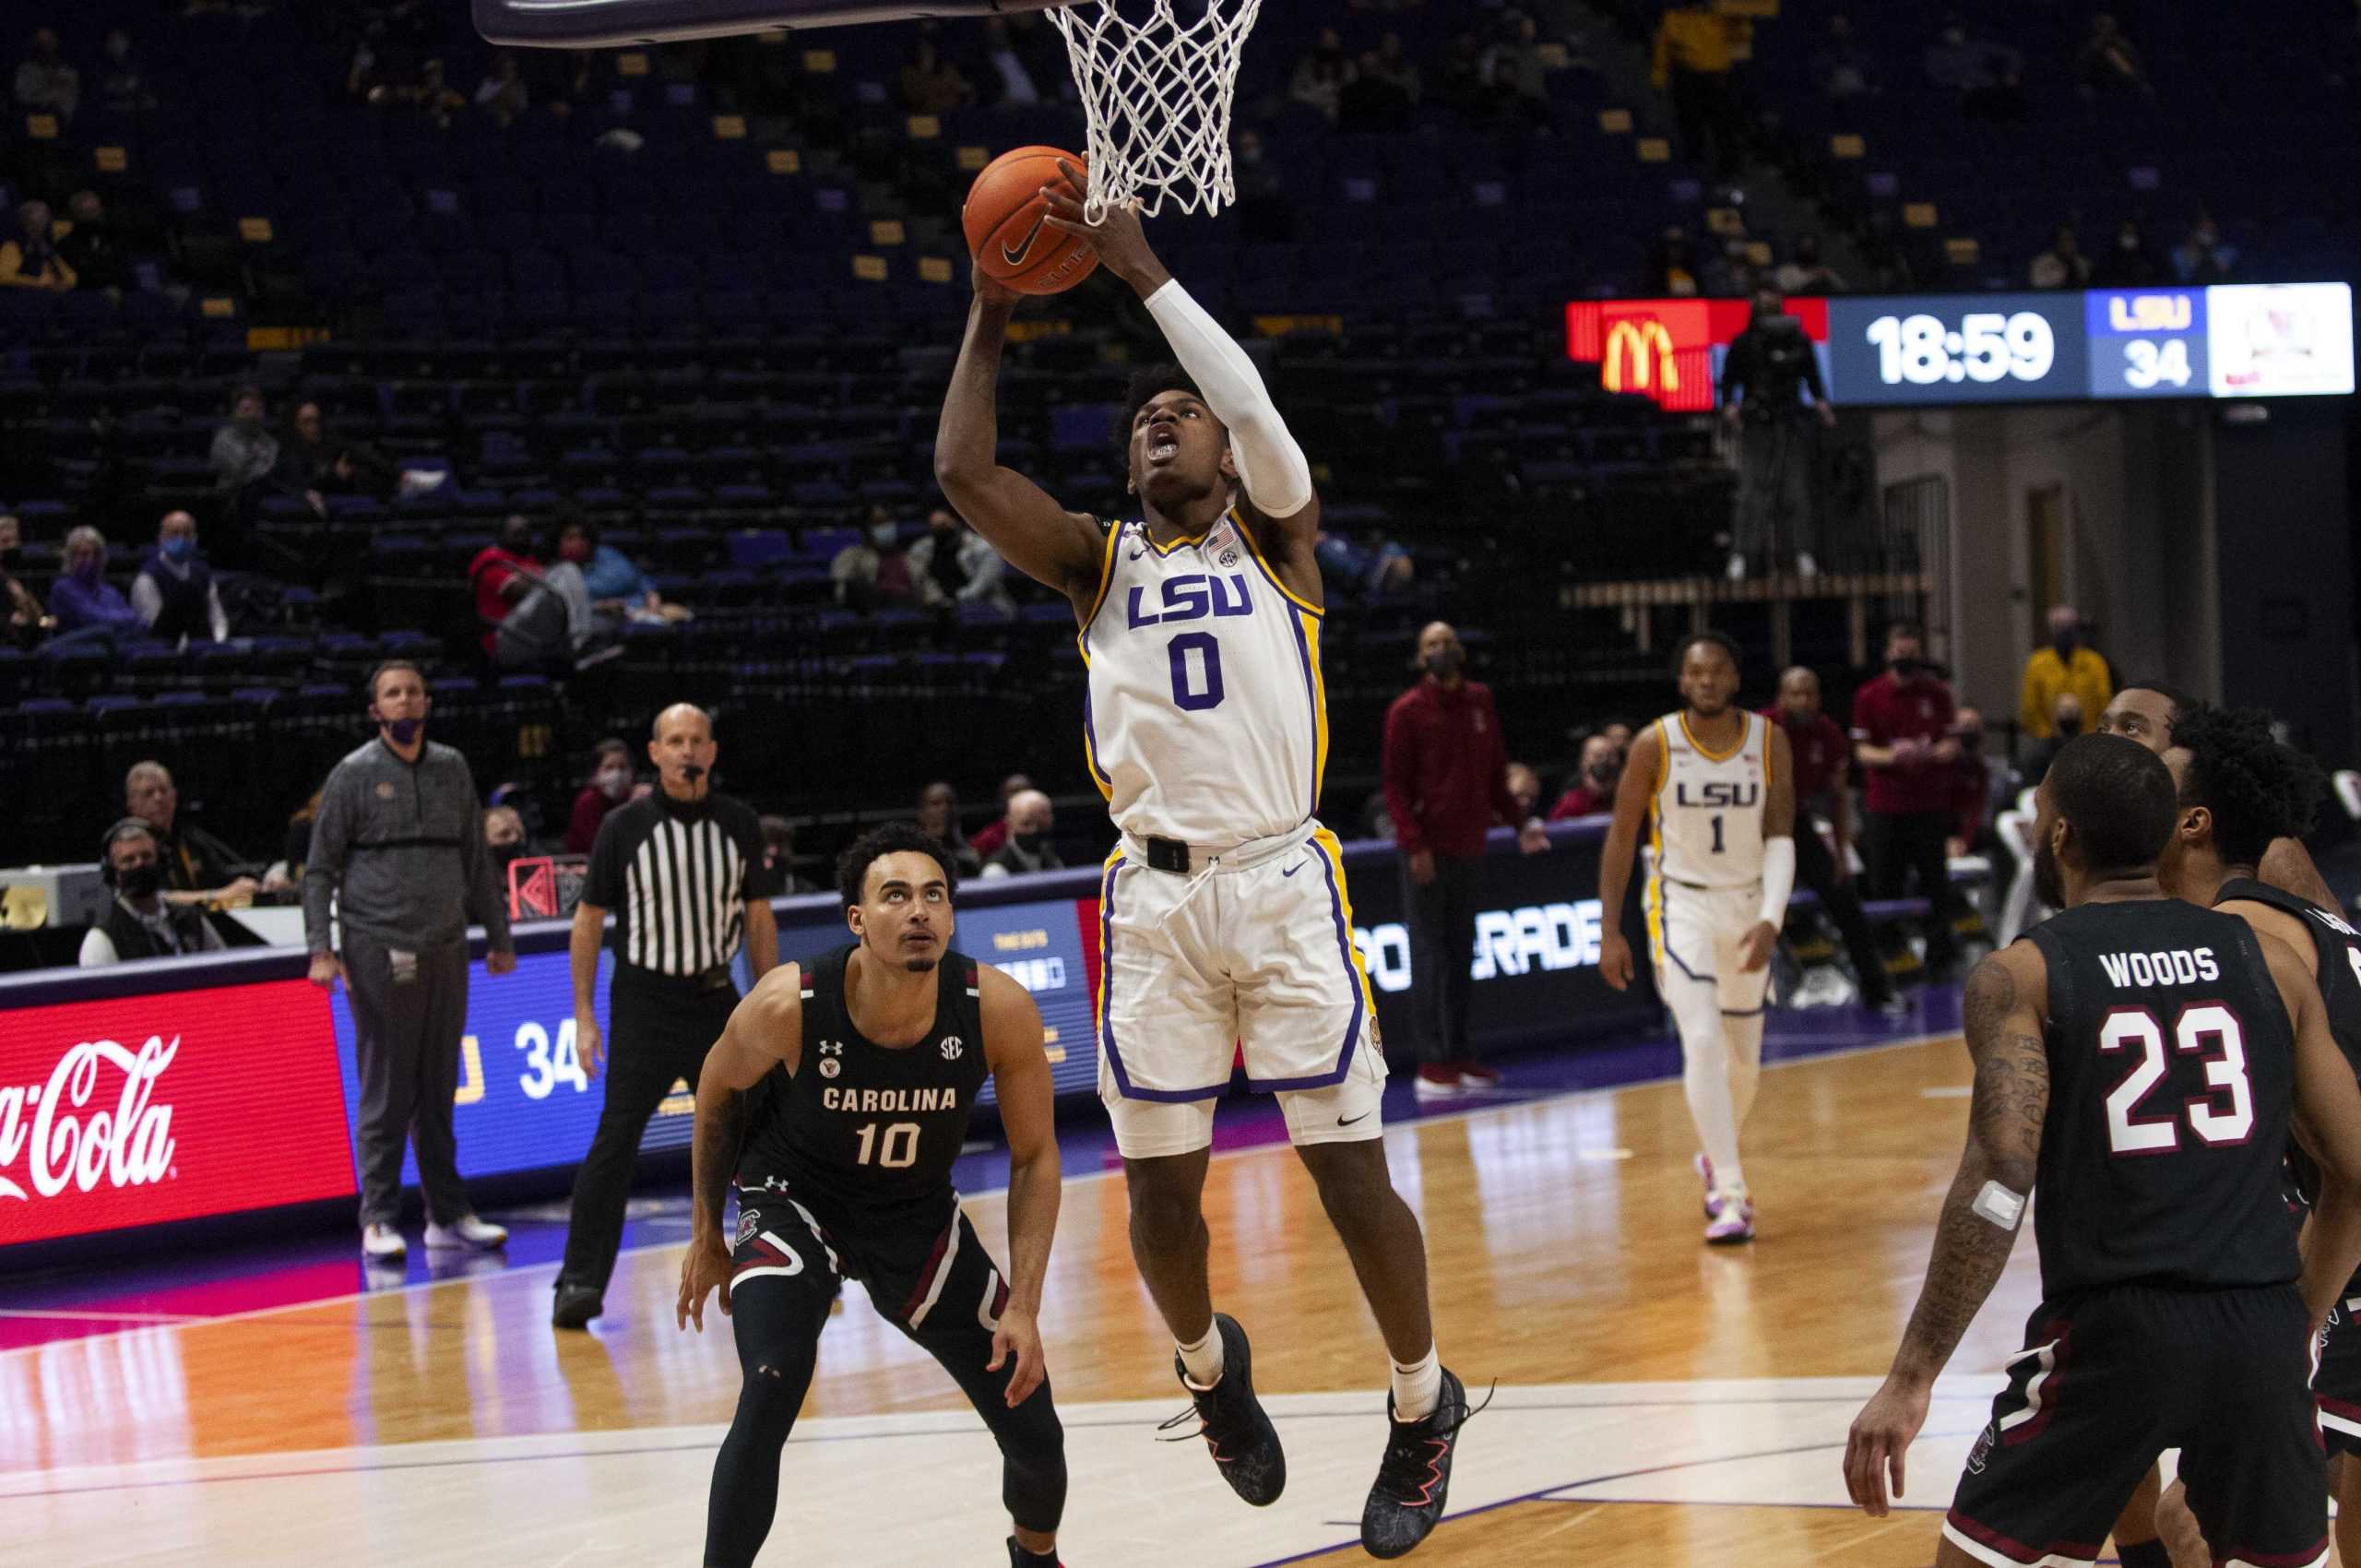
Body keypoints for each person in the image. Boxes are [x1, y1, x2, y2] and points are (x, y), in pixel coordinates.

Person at [935, 166, 1478, 1557]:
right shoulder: (1092, 563)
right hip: (1157, 898)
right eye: (1143, 422)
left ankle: (1424, 1404)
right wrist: (991, 313)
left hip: (1283, 881)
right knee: (1162, 1194)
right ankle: (1207, 1373)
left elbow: (1244, 398)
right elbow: (959, 473)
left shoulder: (1282, 537)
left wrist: (1143, 271)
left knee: (1347, 1170)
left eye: (1183, 416)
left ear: (1229, 456)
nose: (1163, 422)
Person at [1841, 733, 2361, 1568]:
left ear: (2059, 837)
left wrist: (1912, 1378)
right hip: (2258, 1330)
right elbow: (2358, 1175)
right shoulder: (2268, 963)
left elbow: (2002, 1176)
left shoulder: (2025, 975)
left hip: (2113, 1332)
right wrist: (2290, 1319)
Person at [678, 826, 1067, 1567]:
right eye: (895, 896)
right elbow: (717, 1093)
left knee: (1035, 1428)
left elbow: (1036, 1156)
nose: (918, 911)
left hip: (914, 1215)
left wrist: (1025, 1305)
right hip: (796, 1200)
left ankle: (1035, 1555)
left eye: (933, 895)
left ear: (951, 916)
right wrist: (706, 1233)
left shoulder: (997, 1008)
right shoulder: (788, 1003)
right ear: (856, 919)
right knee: (770, 1383)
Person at [2106, 705, 2352, 1568]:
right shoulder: (2302, 925)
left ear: (2193, 821)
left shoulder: (2240, 947)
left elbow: (2348, 1179)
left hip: (2342, 1265)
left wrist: (2292, 1336)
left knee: (2204, 1519)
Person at [556, 705, 777, 1329]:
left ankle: (792, 1260)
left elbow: (759, 916)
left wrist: (767, 1002)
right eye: (674, 741)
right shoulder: (623, 827)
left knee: (765, 1133)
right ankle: (578, 1281)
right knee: (615, 1143)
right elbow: (589, 921)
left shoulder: (737, 823)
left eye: (697, 740)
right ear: (655, 753)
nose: (687, 750)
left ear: (712, 750)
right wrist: (583, 1014)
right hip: (645, 1005)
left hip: (716, 1003)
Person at [303, 660, 518, 1261]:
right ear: (376, 711)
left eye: (413, 692)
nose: (404, 702)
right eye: (392, 694)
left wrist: (498, 938)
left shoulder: (452, 768)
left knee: (438, 1084)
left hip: (447, 943)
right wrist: (322, 948)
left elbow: (477, 861)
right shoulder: (352, 775)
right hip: (377, 945)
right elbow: (319, 870)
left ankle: (447, 1215)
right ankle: (377, 1216)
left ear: (427, 702)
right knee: (387, 1088)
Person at [1599, 632, 1796, 1244]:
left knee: (1745, 1068)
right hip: (1678, 904)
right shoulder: (1655, 743)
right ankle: (1730, 1191)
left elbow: (1781, 836)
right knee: (1704, 1043)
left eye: (1718, 671)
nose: (1707, 681)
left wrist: (1771, 918)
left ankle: (1716, 1153)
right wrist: (1610, 930)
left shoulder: (1769, 740)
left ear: (1735, 678)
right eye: (1696, 672)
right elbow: (1622, 836)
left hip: (1747, 904)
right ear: (1682, 682)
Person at [1382, 620, 1550, 1097]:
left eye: (1447, 643)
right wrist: (1414, 844)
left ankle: (1461, 1054)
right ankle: (1433, 1063)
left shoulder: (1480, 701)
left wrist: (1521, 824)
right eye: (1431, 644)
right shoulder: (1406, 712)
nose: (1441, 650)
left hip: (1470, 846)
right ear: (1420, 658)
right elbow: (1395, 787)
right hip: (1428, 853)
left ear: (1461, 650)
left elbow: (1497, 773)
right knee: (1430, 957)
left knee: (1461, 955)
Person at [2097, 682, 2346, 949]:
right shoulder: (2103, 846)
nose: (2106, 741)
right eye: (2102, 729)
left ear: (2182, 750)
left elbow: (2345, 959)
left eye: (2132, 728)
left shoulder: (2266, 846)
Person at [1767, 666, 1900, 1013]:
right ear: (1781, 697)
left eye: (1810, 692)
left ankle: (1878, 990)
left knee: (1845, 900)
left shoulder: (1827, 734)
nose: (1803, 699)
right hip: (1754, 828)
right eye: (1796, 693)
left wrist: (1840, 853)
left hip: (1797, 823)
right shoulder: (1760, 729)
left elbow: (1837, 797)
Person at [1852, 623, 1963, 978]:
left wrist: (1927, 753)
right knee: (1885, 883)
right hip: (1885, 807)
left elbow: (1952, 745)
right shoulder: (1869, 696)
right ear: (1888, 654)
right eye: (1899, 654)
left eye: (1911, 655)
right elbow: (1862, 752)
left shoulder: (1938, 695)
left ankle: (1940, 957)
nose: (1905, 660)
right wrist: (1893, 756)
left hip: (1928, 805)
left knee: (1935, 884)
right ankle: (1891, 955)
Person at [1719, 289, 1838, 581]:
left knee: (1796, 492)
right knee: (1752, 493)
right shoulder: (1744, 343)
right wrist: (1730, 407)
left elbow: (1812, 377)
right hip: (1757, 424)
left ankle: (1804, 556)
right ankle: (1741, 557)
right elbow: (1729, 381)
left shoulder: (1799, 341)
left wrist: (1822, 404)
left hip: (1790, 422)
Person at [79, 820, 226, 966]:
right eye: (128, 860)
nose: (139, 864)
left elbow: (223, 968)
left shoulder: (189, 919)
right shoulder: (102, 939)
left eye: (147, 856)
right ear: (112, 872)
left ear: (161, 862)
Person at [125, 760, 259, 907]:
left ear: (174, 796)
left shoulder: (190, 837)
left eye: (163, 790)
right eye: (148, 793)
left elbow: (223, 879)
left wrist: (256, 885)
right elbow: (155, 898)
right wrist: (218, 895)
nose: (159, 798)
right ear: (132, 804)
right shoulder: (129, 848)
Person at [1651, 0, 1741, 172]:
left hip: (1716, 77)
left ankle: (1729, 164)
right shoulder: (1674, 18)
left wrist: (1729, 72)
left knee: (1721, 124)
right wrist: (1659, 78)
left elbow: (1736, 43)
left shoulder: (1721, 17)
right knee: (1688, 121)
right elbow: (1663, 49)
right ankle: (1695, 161)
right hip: (1686, 75)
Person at [129, 511, 229, 647]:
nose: (181, 538)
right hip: (164, 650)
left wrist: (217, 642)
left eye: (187, 533)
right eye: (174, 533)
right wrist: (186, 649)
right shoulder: (148, 577)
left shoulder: (202, 573)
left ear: (195, 538)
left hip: (203, 645)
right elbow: (154, 625)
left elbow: (217, 617)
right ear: (161, 537)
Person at [2019, 604, 2115, 742]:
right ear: (2052, 630)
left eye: (2070, 626)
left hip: (2090, 739)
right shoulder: (2037, 663)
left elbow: (2105, 703)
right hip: (2049, 741)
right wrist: (2047, 735)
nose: (2065, 632)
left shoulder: (2094, 662)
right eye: (2060, 626)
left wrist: (2093, 735)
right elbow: (2030, 709)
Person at [908, 505, 1014, 615]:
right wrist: (938, 598)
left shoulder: (982, 547)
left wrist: (958, 598)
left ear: (955, 521)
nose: (941, 530)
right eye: (936, 527)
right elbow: (922, 579)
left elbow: (983, 583)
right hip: (939, 605)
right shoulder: (922, 548)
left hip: (984, 603)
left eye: (944, 524)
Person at [49, 525, 140, 639]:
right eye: (84, 555)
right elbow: (93, 619)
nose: (91, 560)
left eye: (96, 555)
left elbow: (136, 620)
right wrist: (121, 620)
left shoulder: (109, 590)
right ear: (71, 558)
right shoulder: (63, 588)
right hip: (78, 652)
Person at [832, 506, 919, 611]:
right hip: (873, 612)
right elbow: (842, 589)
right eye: (878, 523)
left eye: (889, 522)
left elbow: (928, 588)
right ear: (867, 529)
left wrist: (938, 603)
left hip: (911, 609)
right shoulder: (852, 556)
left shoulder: (911, 558)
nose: (886, 527)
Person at [566, 738, 635, 855]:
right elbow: (598, 848)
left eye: (622, 767)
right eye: (609, 768)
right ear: (595, 773)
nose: (617, 774)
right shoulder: (587, 803)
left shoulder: (636, 798)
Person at [209, 385, 280, 495]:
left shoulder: (271, 443)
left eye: (257, 410)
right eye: (246, 410)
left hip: (261, 498)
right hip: (228, 497)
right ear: (235, 412)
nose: (252, 415)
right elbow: (237, 473)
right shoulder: (223, 439)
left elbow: (269, 474)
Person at [979, 789, 1062, 880]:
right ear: (1009, 823)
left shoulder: (1051, 856)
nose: (1034, 830)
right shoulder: (995, 871)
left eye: (1041, 824)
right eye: (1026, 824)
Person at [53, 191, 125, 294]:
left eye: (94, 211)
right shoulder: (64, 245)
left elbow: (123, 270)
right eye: (84, 212)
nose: (90, 217)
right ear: (74, 214)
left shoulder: (112, 239)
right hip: (82, 298)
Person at [0, 513, 51, 647]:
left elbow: (45, 618)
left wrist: (25, 602)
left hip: (34, 635)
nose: (12, 546)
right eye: (5, 541)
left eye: (15, 540)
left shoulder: (27, 576)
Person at [915, 780, 983, 877]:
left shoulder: (970, 857)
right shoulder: (910, 859)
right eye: (935, 803)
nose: (944, 809)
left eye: (950, 803)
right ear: (922, 814)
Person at [1548, 733, 1624, 821]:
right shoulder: (1570, 805)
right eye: (1598, 756)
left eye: (1611, 755)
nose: (1605, 760)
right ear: (1583, 763)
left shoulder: (1629, 800)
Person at [13, 27, 78, 121]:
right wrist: (44, 100)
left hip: (62, 124)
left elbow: (71, 100)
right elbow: (22, 96)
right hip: (33, 121)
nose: (46, 45)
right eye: (41, 41)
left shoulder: (69, 72)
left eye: (49, 40)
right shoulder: (25, 71)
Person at [2021, 692, 2084, 785]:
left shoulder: (2087, 750)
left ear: (2080, 715)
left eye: (2073, 709)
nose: (2069, 713)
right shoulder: (2041, 752)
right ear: (2054, 715)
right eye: (2065, 709)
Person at [968, 772, 1034, 861]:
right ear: (1004, 797)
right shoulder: (990, 836)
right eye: (1014, 792)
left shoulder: (1045, 829)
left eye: (1025, 791)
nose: (1020, 796)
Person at [755, 814, 818, 897]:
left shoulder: (807, 892)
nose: (773, 851)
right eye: (767, 843)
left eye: (780, 842)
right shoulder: (740, 894)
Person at [2028, 223, 2092, 290]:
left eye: (2072, 240)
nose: (2069, 244)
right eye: (2065, 240)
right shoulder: (2041, 263)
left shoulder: (2083, 263)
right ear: (2057, 242)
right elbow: (2036, 283)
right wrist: (2061, 272)